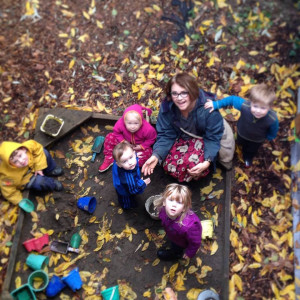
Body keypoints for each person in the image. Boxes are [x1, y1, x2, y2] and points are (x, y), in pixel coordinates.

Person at [142, 72, 224, 182]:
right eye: (175, 94)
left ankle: (201, 173)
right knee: (168, 164)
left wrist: (207, 161)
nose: (179, 98)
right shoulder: (168, 106)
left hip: (203, 138)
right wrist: (156, 155)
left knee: (193, 165)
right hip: (182, 137)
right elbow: (166, 134)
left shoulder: (208, 109)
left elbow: (213, 138)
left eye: (184, 93)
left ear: (192, 91)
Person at [204, 83, 279, 167]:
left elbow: (273, 129)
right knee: (240, 141)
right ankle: (239, 144)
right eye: (255, 106)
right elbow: (232, 99)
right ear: (251, 102)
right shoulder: (245, 106)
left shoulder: (272, 118)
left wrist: (270, 136)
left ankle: (247, 158)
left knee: (251, 150)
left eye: (263, 108)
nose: (258, 111)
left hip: (256, 140)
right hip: (242, 132)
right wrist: (216, 104)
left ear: (270, 107)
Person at [0, 140, 63, 205]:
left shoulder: (29, 146)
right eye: (16, 162)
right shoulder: (7, 175)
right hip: (27, 178)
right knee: (40, 182)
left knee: (44, 153)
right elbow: (8, 191)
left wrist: (39, 167)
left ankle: (50, 170)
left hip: (35, 166)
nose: (21, 161)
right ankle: (52, 184)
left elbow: (39, 150)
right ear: (10, 164)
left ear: (23, 149)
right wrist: (20, 201)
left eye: (20, 155)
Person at [99, 104, 157, 172]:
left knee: (148, 153)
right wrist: (123, 141)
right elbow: (116, 132)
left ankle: (132, 161)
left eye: (136, 123)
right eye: (129, 123)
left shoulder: (147, 128)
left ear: (141, 121)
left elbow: (151, 139)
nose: (132, 126)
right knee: (110, 137)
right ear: (124, 121)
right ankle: (110, 157)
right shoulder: (120, 123)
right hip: (124, 144)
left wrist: (141, 146)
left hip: (137, 147)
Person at [153, 183, 202, 260]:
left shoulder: (189, 226)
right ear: (164, 202)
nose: (174, 205)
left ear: (184, 208)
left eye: (179, 202)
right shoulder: (163, 210)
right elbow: (162, 217)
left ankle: (176, 255)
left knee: (176, 248)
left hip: (180, 242)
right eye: (171, 200)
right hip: (173, 234)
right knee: (173, 240)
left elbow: (195, 242)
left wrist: (189, 252)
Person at [112, 141, 151, 209]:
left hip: (128, 181)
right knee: (126, 199)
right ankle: (127, 207)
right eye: (125, 161)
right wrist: (143, 183)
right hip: (123, 189)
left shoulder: (128, 161)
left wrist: (133, 157)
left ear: (134, 153)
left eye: (131, 157)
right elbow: (134, 189)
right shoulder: (127, 178)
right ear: (119, 164)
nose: (130, 162)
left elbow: (129, 158)